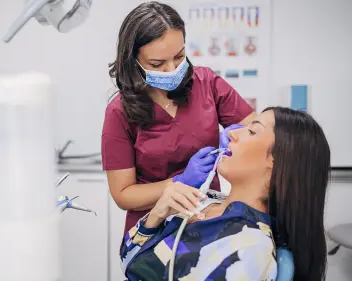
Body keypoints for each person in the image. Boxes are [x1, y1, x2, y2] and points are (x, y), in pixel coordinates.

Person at [120, 107, 330, 281]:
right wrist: (156, 216)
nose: (231, 133)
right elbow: (128, 261)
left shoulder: (250, 250)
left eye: (252, 131)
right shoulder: (204, 201)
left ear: (277, 162)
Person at [102, 1, 256, 235]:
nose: (172, 69)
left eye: (179, 56)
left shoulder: (207, 84)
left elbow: (261, 134)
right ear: (132, 59)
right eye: (157, 63)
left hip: (208, 218)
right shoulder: (119, 112)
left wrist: (240, 138)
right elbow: (123, 194)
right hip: (153, 230)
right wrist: (179, 181)